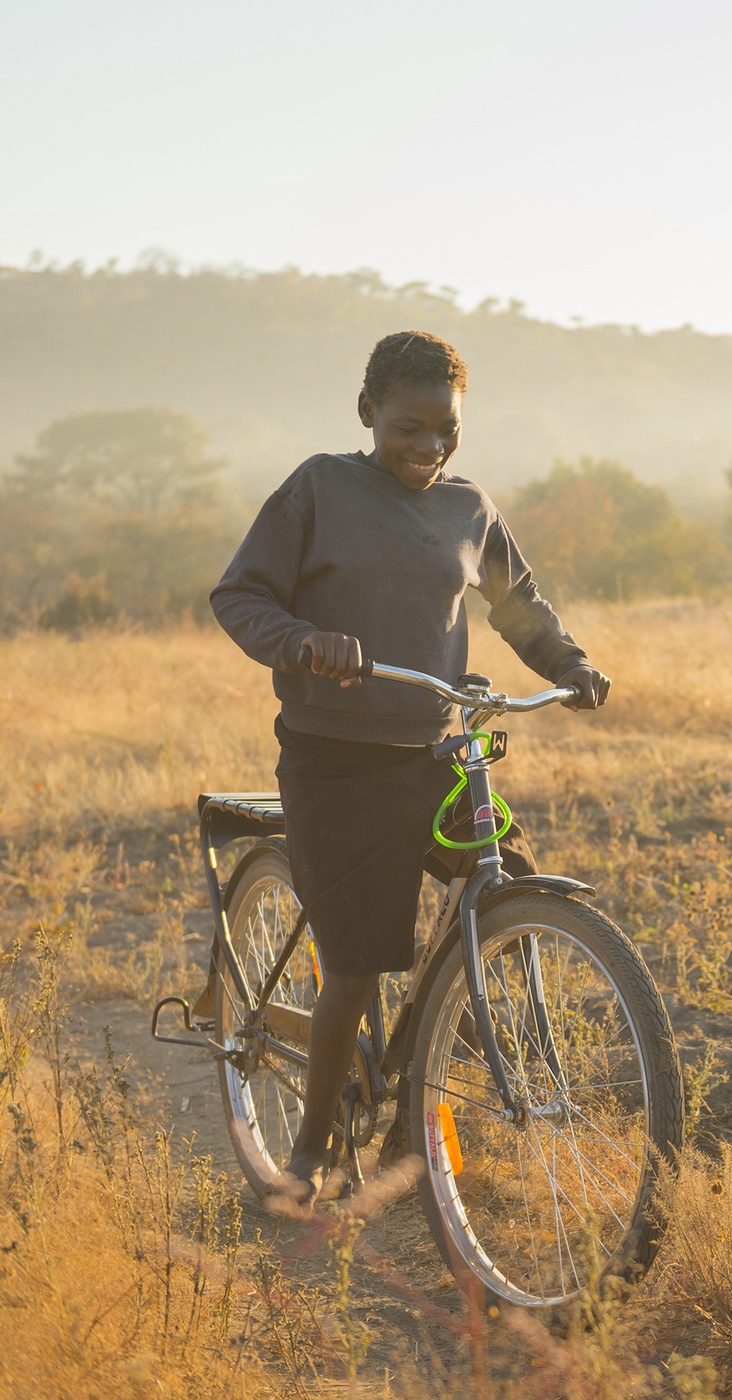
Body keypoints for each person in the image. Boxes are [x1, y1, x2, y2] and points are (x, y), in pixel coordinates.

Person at [206, 329, 609, 1203]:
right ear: (368, 414)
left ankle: (412, 1111)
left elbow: (520, 607)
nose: (428, 447)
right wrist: (304, 641)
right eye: (408, 428)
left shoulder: (468, 509)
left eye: (445, 430)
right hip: (337, 763)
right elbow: (238, 596)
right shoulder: (319, 488)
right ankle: (309, 1153)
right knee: (354, 964)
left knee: (506, 905)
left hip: (437, 753)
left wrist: (570, 665)